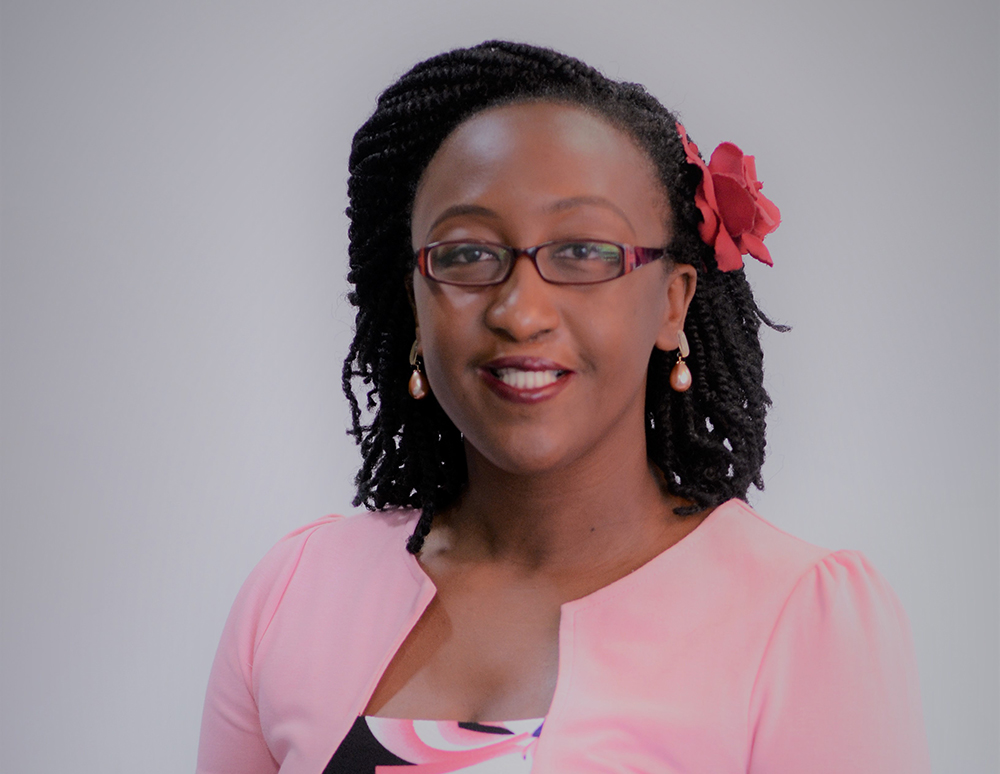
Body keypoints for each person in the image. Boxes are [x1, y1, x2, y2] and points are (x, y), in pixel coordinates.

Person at [197, 41, 930, 773]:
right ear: (415, 304)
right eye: (467, 254)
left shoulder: (798, 618)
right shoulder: (295, 595)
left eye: (582, 252)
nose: (521, 313)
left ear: (672, 303)